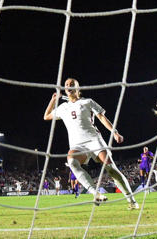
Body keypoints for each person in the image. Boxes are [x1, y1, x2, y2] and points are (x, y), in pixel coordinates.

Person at [44, 78, 139, 209]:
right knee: (71, 161)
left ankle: (131, 200)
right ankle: (96, 193)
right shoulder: (63, 107)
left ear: (78, 88)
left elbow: (102, 118)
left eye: (72, 84)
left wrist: (115, 132)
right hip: (77, 145)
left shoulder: (87, 102)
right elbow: (46, 116)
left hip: (94, 140)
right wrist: (53, 100)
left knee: (111, 168)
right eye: (66, 85)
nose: (69, 86)